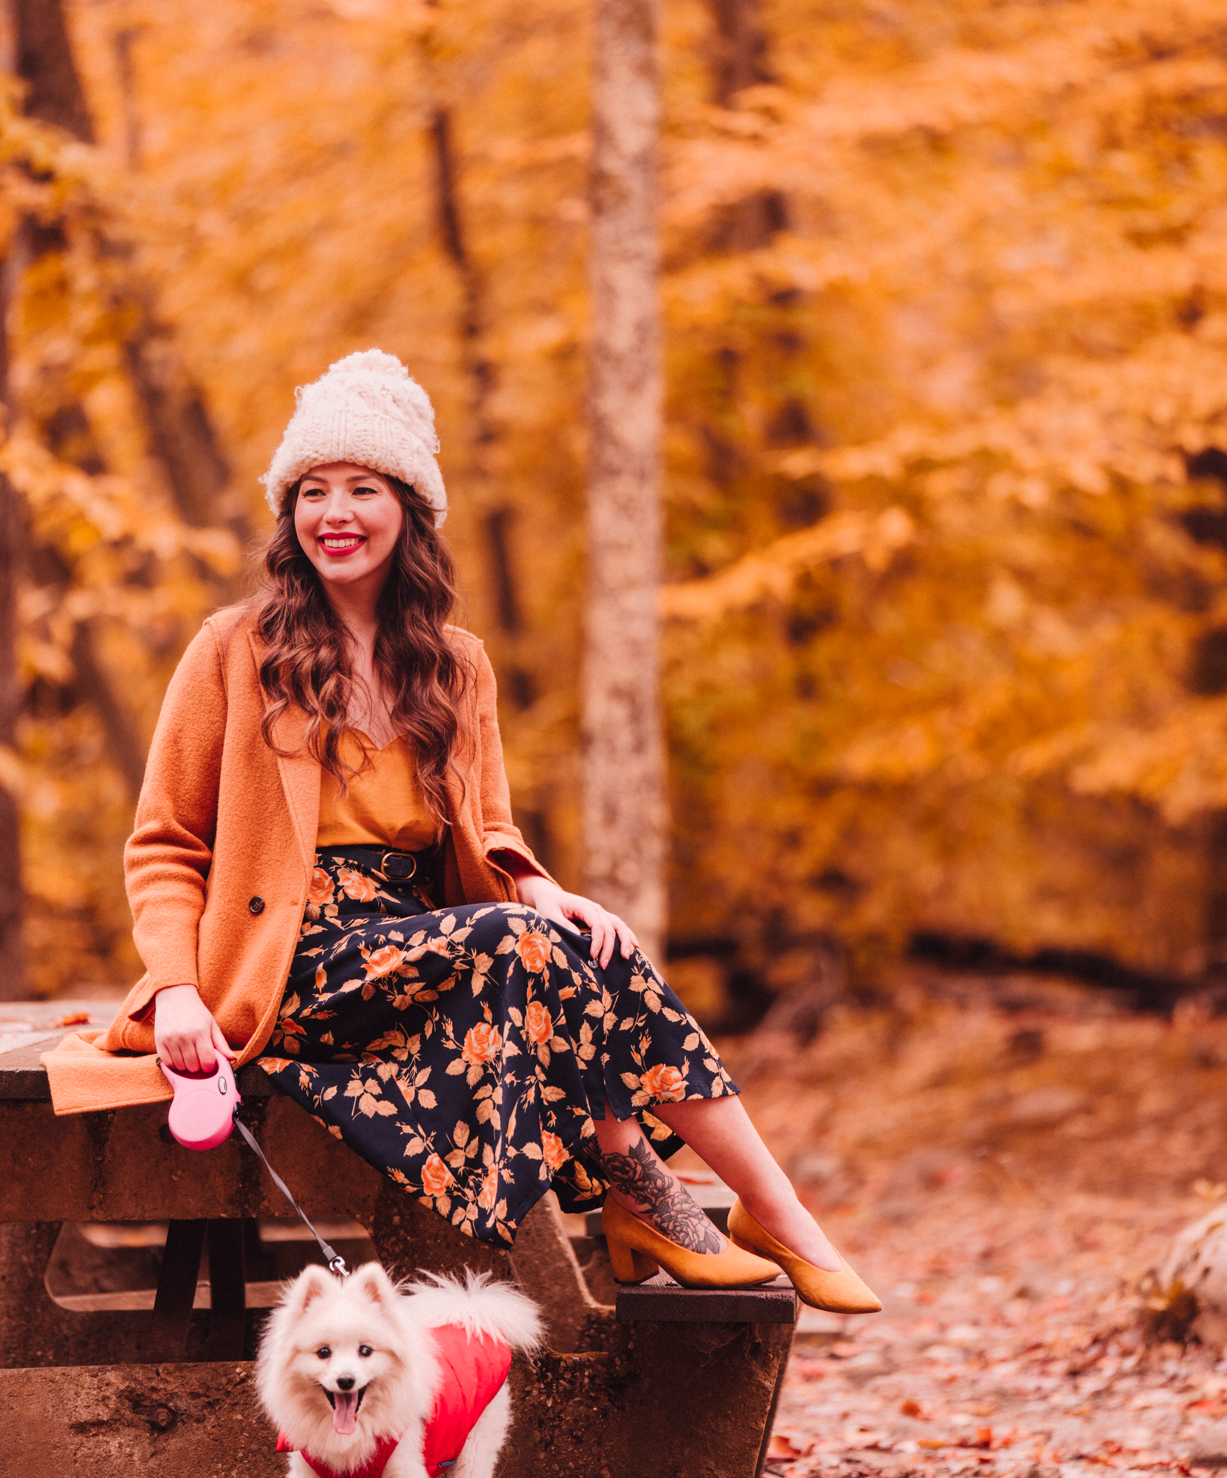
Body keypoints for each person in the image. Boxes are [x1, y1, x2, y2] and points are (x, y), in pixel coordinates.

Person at [47, 351, 877, 1313]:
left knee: (589, 942)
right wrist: (179, 989)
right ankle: (657, 1186)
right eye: (312, 491)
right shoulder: (233, 649)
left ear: (408, 508)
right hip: (290, 962)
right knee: (519, 942)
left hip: (424, 945)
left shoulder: (455, 665)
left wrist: (537, 885)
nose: (334, 514)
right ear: (289, 513)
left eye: (361, 487)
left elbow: (486, 828)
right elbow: (164, 844)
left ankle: (758, 1208)